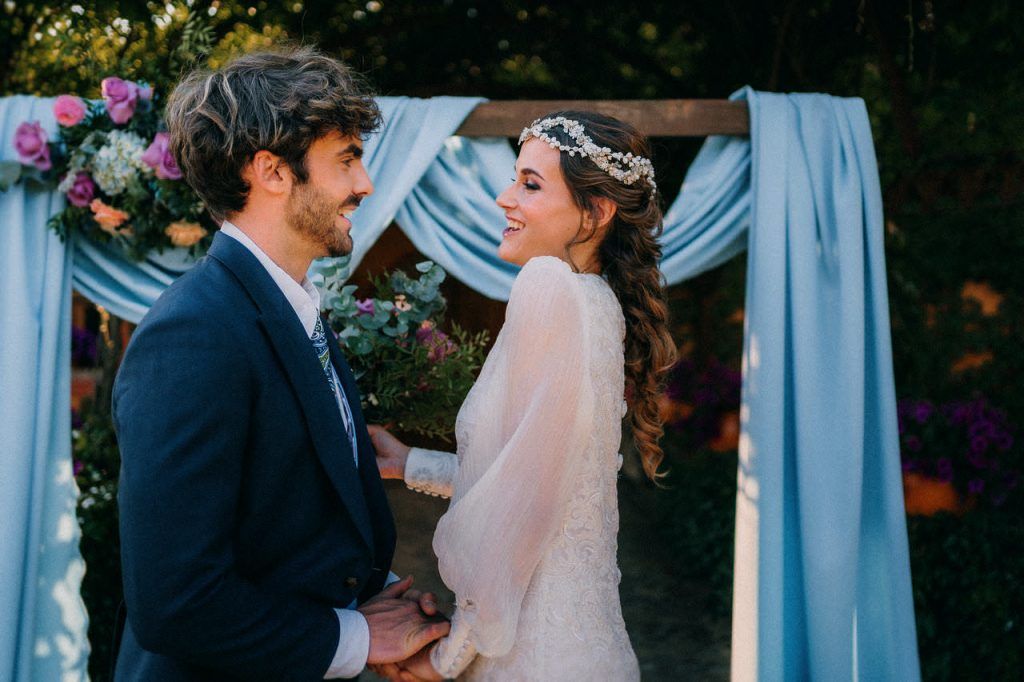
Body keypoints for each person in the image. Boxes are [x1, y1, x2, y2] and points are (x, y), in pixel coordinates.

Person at [111, 46, 448, 681]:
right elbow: (175, 601)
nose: (364, 184)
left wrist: (371, 605)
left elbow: (281, 520)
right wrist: (354, 638)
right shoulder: (194, 333)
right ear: (271, 171)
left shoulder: (289, 306)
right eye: (346, 160)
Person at [369, 111, 677, 680]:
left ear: (596, 212)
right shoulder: (598, 302)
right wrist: (409, 462)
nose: (504, 197)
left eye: (530, 184)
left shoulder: (547, 287)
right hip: (589, 648)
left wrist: (449, 654)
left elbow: (523, 507)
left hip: (531, 654)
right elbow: (549, 475)